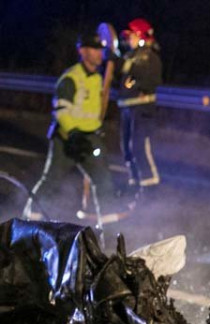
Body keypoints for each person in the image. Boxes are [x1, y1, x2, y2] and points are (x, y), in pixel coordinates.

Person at [23, 28, 130, 227]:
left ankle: (107, 229)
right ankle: (29, 220)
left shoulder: (98, 78)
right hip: (66, 139)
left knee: (103, 181)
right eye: (95, 49)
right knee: (51, 181)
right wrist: (72, 134)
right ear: (82, 51)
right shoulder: (70, 78)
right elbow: (61, 111)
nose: (100, 53)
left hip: (90, 139)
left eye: (101, 49)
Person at [118, 18, 163, 188]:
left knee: (138, 146)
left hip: (142, 109)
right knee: (126, 147)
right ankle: (134, 180)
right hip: (127, 108)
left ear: (141, 36)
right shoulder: (130, 56)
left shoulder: (150, 58)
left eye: (131, 36)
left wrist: (122, 65)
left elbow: (150, 80)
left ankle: (149, 182)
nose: (129, 40)